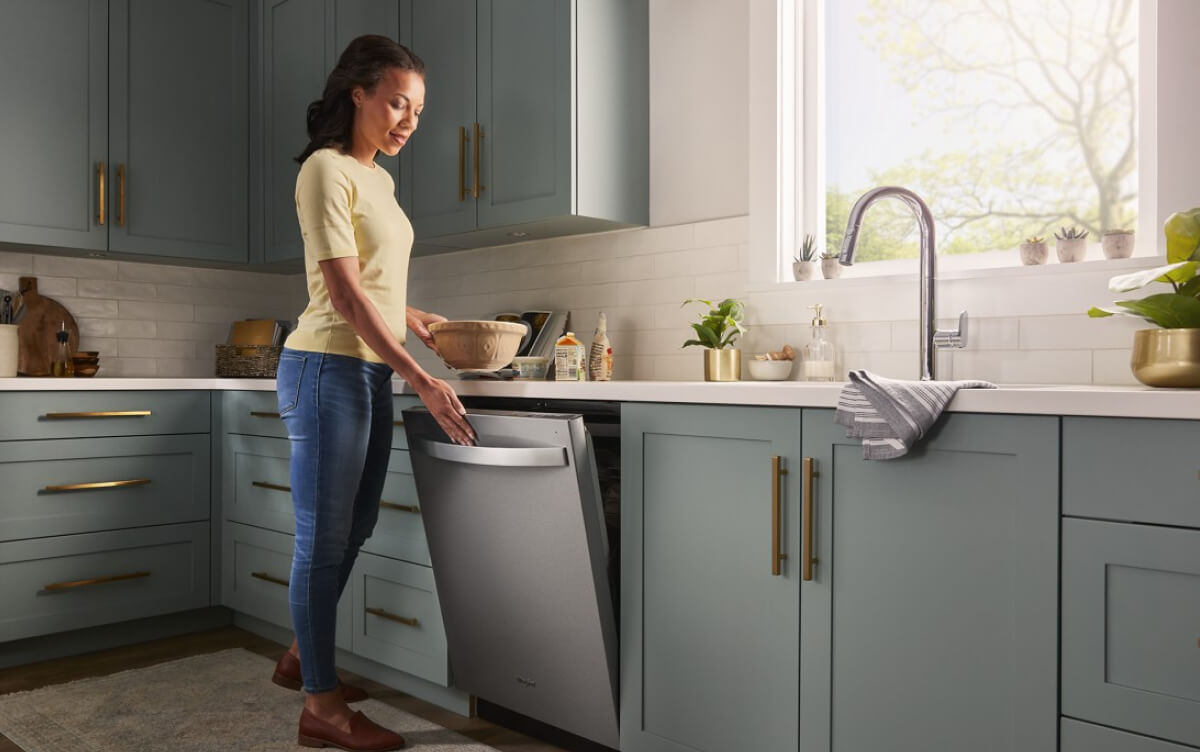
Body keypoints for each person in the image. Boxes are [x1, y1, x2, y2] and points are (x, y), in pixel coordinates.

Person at [270, 34, 476, 752]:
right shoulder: (325, 171)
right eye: (396, 102)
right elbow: (345, 296)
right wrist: (421, 374)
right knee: (322, 543)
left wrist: (414, 319)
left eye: (416, 110)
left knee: (353, 529)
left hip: (367, 370)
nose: (407, 121)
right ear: (356, 93)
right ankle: (321, 709)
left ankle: (303, 657)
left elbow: (377, 290)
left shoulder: (379, 180)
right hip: (326, 369)